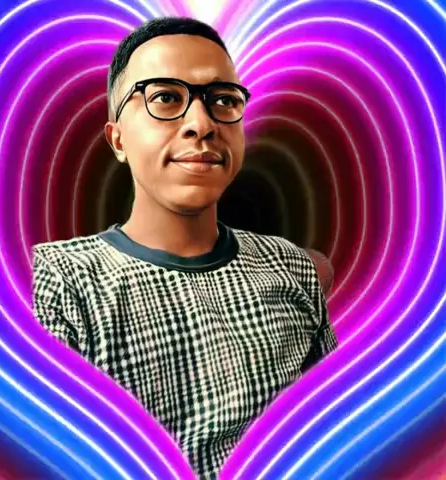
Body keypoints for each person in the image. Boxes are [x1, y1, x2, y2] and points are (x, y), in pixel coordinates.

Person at [32, 17, 338, 479]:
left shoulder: (291, 267)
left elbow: (328, 433)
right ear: (118, 139)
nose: (201, 123)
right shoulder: (57, 283)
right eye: (165, 97)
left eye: (224, 100)